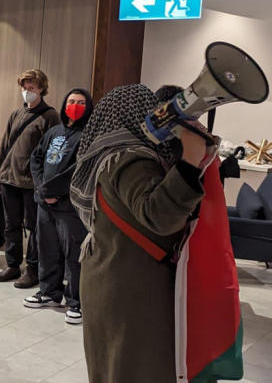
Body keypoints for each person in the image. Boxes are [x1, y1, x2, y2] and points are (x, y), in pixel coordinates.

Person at [69, 84, 208, 383]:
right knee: (136, 369)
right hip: (131, 292)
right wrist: (190, 161)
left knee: (114, 367)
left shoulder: (108, 155)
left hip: (112, 279)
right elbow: (158, 215)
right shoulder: (130, 158)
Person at [25, 88, 94, 325]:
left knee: (73, 255)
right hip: (44, 203)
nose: (75, 105)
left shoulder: (88, 136)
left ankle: (76, 302)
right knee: (46, 249)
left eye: (81, 102)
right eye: (72, 101)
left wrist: (55, 193)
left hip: (69, 207)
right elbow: (36, 158)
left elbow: (79, 170)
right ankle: (49, 293)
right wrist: (42, 189)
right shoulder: (54, 131)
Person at [0, 69, 60, 287]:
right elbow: (4, 146)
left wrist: (47, 183)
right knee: (11, 225)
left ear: (41, 89)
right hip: (9, 178)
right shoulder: (15, 114)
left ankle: (32, 269)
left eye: (31, 88)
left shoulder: (50, 116)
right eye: (24, 88)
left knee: (34, 227)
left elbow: (53, 152)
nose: (27, 92)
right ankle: (12, 265)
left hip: (31, 183)